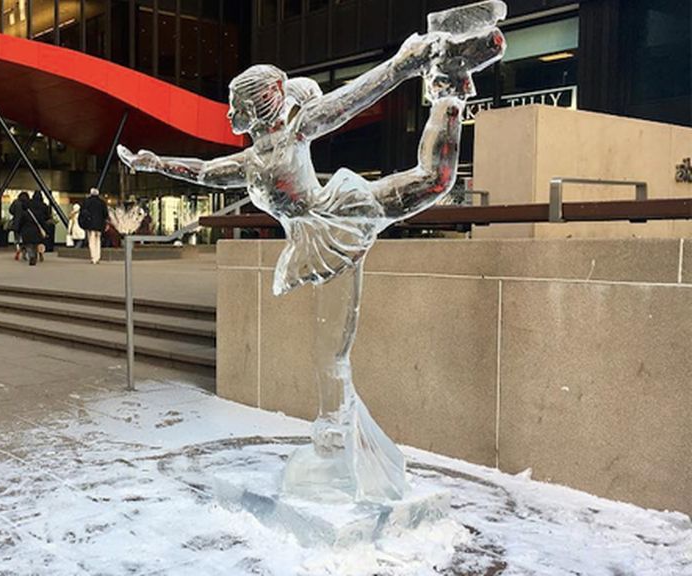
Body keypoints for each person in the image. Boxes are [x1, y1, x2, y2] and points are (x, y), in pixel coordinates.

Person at [118, 2, 505, 502]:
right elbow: (204, 171)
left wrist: (405, 63)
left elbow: (355, 95)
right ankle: (450, 83)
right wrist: (153, 163)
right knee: (333, 343)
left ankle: (449, 86)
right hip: (315, 235)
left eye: (236, 105)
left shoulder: (296, 130)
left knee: (432, 185)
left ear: (258, 106)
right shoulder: (251, 158)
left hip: (335, 225)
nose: (229, 114)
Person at [19, 190, 49, 266]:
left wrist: (19, 228)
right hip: (37, 229)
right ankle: (35, 256)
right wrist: (46, 230)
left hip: (27, 229)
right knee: (36, 244)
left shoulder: (28, 208)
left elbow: (21, 219)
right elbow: (45, 218)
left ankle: (31, 256)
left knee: (29, 244)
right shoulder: (43, 206)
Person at [79, 187, 108, 264]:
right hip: (100, 225)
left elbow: (82, 212)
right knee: (98, 240)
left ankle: (93, 257)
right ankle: (97, 257)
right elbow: (105, 214)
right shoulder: (102, 202)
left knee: (91, 241)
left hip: (90, 224)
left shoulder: (87, 201)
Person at [8, 191, 29, 261]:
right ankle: (24, 253)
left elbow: (10, 210)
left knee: (17, 239)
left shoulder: (16, 202)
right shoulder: (27, 203)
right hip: (25, 224)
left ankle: (17, 249)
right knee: (25, 240)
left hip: (16, 223)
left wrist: (16, 214)